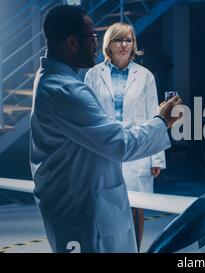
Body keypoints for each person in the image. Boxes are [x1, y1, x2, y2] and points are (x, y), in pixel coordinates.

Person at [30, 5, 182, 253]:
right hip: (85, 209)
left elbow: (101, 127)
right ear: (71, 42)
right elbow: (120, 142)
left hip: (85, 192)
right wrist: (161, 121)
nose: (94, 43)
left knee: (137, 212)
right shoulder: (67, 90)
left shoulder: (52, 78)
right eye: (91, 37)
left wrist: (155, 149)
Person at [84, 23, 165, 251]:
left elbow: (154, 116)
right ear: (108, 44)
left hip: (137, 150)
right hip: (104, 147)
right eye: (118, 40)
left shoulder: (145, 76)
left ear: (134, 45)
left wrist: (156, 158)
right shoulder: (93, 74)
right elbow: (88, 116)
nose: (124, 45)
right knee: (104, 205)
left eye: (128, 40)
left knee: (135, 207)